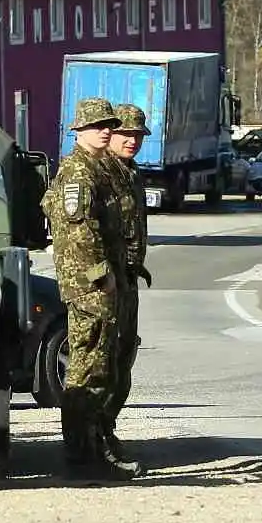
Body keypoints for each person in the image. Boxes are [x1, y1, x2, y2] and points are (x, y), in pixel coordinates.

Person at [39, 98, 140, 481]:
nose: (107, 131)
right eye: (98, 125)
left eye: (108, 125)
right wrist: (102, 275)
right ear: (79, 130)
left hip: (103, 282)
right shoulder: (79, 172)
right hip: (89, 286)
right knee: (88, 367)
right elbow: (79, 231)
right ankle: (82, 456)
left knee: (104, 363)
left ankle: (94, 445)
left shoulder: (100, 168)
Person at [102, 103, 153, 466]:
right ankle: (94, 441)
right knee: (100, 365)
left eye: (137, 136)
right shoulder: (99, 174)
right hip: (105, 283)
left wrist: (136, 265)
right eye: (125, 135)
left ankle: (107, 430)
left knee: (122, 363)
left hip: (126, 280)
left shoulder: (131, 174)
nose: (132, 141)